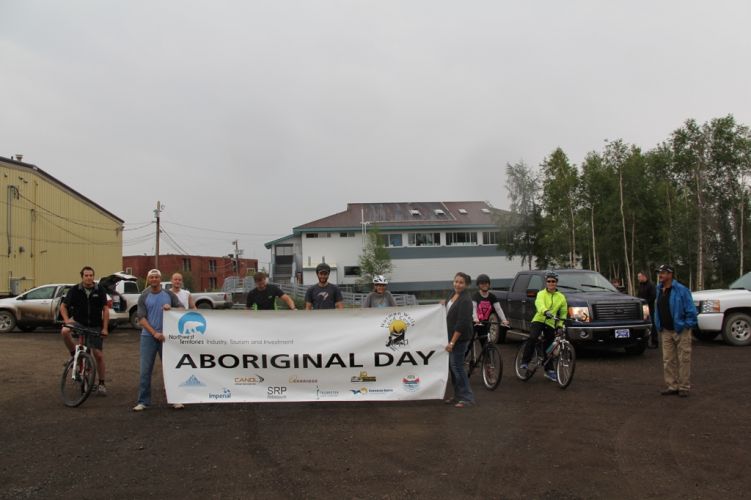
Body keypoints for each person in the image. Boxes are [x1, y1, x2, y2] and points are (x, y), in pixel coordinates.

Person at [133, 269, 184, 411]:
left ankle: (175, 399)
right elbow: (141, 318)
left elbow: (182, 309)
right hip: (148, 337)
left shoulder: (169, 294)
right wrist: (154, 333)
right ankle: (143, 401)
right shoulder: (144, 296)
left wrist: (172, 308)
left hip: (167, 338)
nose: (154, 279)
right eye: (151, 277)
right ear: (148, 280)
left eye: (156, 277)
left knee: (170, 370)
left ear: (160, 279)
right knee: (145, 370)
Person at [60, 266, 110, 396]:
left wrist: (104, 328)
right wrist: (67, 320)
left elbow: (105, 310)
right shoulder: (75, 290)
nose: (89, 277)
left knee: (98, 355)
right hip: (79, 322)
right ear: (82, 277)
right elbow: (63, 306)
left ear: (93, 276)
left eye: (91, 275)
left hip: (95, 325)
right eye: (86, 275)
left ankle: (102, 383)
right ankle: (73, 354)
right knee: (65, 331)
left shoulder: (100, 290)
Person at [654, 264, 697, 398]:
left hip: (680, 330)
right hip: (665, 330)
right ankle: (672, 385)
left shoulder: (681, 290)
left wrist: (687, 325)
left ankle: (684, 386)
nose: (660, 275)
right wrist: (658, 325)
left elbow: (691, 310)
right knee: (668, 359)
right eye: (659, 273)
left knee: (684, 359)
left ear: (670, 274)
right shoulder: (659, 289)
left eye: (663, 272)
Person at [520, 271, 568, 382]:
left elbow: (564, 311)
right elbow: (539, 304)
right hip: (539, 320)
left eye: (553, 281)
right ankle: (525, 361)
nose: (551, 283)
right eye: (549, 281)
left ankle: (549, 371)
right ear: (546, 282)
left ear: (556, 283)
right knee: (533, 337)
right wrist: (545, 311)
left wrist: (560, 324)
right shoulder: (541, 293)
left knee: (550, 347)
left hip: (550, 323)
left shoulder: (561, 297)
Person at [444, 272, 475, 408]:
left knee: (458, 367)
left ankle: (467, 397)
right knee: (453, 367)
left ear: (466, 285)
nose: (457, 284)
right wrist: (443, 304)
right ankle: (458, 396)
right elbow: (449, 310)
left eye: (461, 282)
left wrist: (452, 342)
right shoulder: (452, 295)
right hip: (450, 337)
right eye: (456, 281)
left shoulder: (466, 300)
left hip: (460, 339)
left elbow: (462, 323)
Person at [472, 274, 510, 346]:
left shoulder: (492, 297)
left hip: (484, 324)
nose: (484, 285)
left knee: (486, 346)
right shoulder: (475, 296)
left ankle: (487, 357)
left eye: (486, 283)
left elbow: (498, 309)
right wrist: (475, 318)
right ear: (478, 285)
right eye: (482, 283)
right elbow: (473, 308)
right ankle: (464, 356)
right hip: (474, 323)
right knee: (469, 343)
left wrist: (504, 320)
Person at [637, 271, 658, 348]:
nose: (638, 278)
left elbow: (653, 296)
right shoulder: (641, 285)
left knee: (651, 324)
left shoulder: (651, 285)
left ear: (644, 276)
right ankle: (645, 342)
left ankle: (655, 342)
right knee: (644, 324)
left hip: (649, 307)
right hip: (642, 308)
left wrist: (646, 303)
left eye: (639, 276)